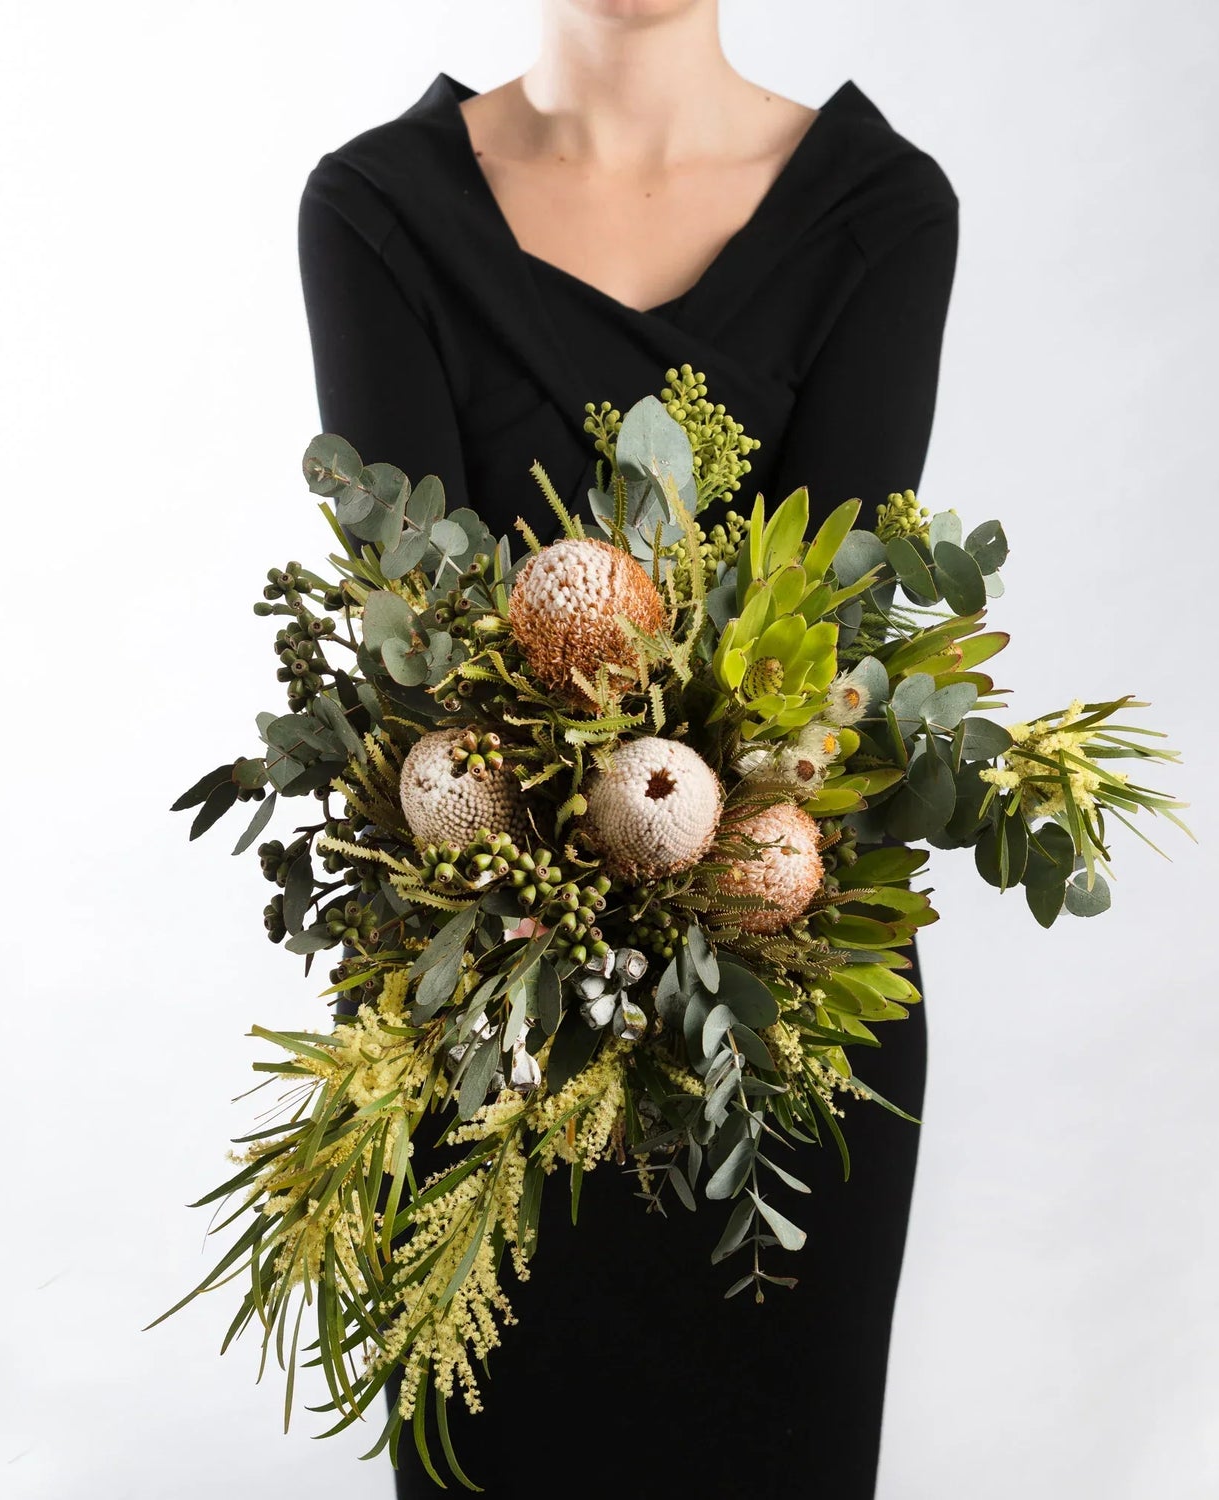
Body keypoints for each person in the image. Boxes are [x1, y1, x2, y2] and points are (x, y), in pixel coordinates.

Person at [299, 3, 957, 1494]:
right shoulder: (380, 210)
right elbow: (427, 687)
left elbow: (819, 685)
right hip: (489, 1030)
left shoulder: (878, 212)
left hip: (777, 1034)